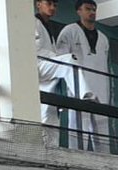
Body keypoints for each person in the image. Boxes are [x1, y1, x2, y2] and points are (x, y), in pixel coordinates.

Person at [35, 0, 93, 148]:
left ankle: (51, 150)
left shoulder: (49, 27)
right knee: (69, 59)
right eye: (49, 4)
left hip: (48, 70)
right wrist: (54, 57)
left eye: (55, 5)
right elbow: (34, 49)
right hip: (37, 65)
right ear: (38, 4)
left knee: (50, 113)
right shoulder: (33, 23)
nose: (53, 8)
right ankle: (82, 94)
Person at [58, 0, 110, 153]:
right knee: (78, 130)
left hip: (101, 87)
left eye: (94, 9)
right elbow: (61, 59)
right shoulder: (69, 31)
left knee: (102, 133)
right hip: (79, 87)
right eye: (88, 9)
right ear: (78, 11)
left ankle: (106, 164)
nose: (92, 12)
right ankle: (75, 160)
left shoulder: (103, 39)